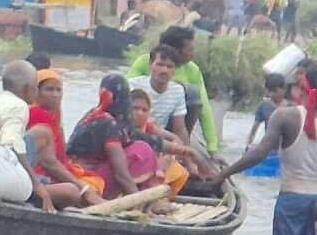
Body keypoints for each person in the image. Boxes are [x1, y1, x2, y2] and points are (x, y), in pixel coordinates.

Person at [210, 61, 317, 235]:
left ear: (301, 86)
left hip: (291, 200)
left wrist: (224, 174)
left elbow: (259, 154)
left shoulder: (284, 116)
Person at [0, 60, 74, 213]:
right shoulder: (19, 106)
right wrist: (37, 185)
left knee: (48, 179)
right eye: (35, 88)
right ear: (27, 89)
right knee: (70, 192)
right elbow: (13, 144)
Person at [66, 74, 168, 200]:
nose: (138, 113)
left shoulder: (93, 114)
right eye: (135, 107)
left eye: (144, 110)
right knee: (142, 150)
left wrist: (186, 151)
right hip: (89, 182)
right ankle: (145, 200)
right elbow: (121, 174)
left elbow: (145, 138)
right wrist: (137, 200)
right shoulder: (109, 123)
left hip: (78, 178)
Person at [127, 27, 219, 155]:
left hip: (171, 124)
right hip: (140, 122)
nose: (193, 53)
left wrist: (212, 147)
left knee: (192, 92)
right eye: (190, 49)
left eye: (170, 67)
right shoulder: (145, 62)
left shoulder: (192, 70)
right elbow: (127, 94)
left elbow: (204, 108)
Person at [26, 69, 105, 207]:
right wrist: (83, 189)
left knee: (95, 181)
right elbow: (48, 162)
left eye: (58, 90)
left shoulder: (55, 116)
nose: (55, 95)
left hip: (50, 170)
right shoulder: (36, 114)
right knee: (75, 191)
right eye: (49, 89)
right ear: (36, 92)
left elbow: (59, 154)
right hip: (36, 174)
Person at [129, 45, 190, 143]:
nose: (164, 70)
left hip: (158, 139)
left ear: (174, 70)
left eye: (169, 66)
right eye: (160, 65)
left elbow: (180, 129)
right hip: (133, 136)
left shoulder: (177, 91)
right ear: (150, 65)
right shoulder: (132, 86)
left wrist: (187, 153)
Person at [246, 73, 288, 148]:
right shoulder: (264, 106)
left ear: (284, 89)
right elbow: (254, 129)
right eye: (269, 91)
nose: (271, 94)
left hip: (287, 149)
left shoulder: (291, 107)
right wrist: (248, 146)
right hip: (270, 148)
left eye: (275, 91)